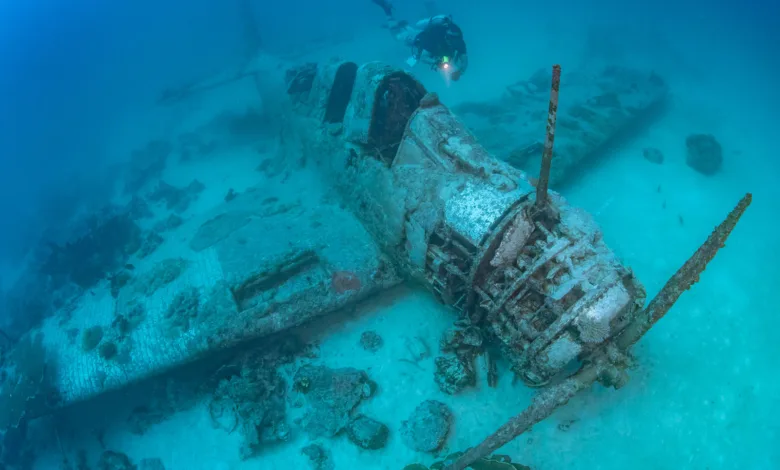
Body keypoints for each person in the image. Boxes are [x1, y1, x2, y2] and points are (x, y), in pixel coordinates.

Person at [373, 2, 469, 81]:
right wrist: (435, 63)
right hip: (417, 38)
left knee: (407, 33)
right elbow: (422, 57)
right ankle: (388, 10)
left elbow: (464, 58)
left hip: (422, 35)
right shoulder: (436, 42)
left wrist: (459, 72)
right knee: (397, 36)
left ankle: (403, 24)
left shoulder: (456, 41)